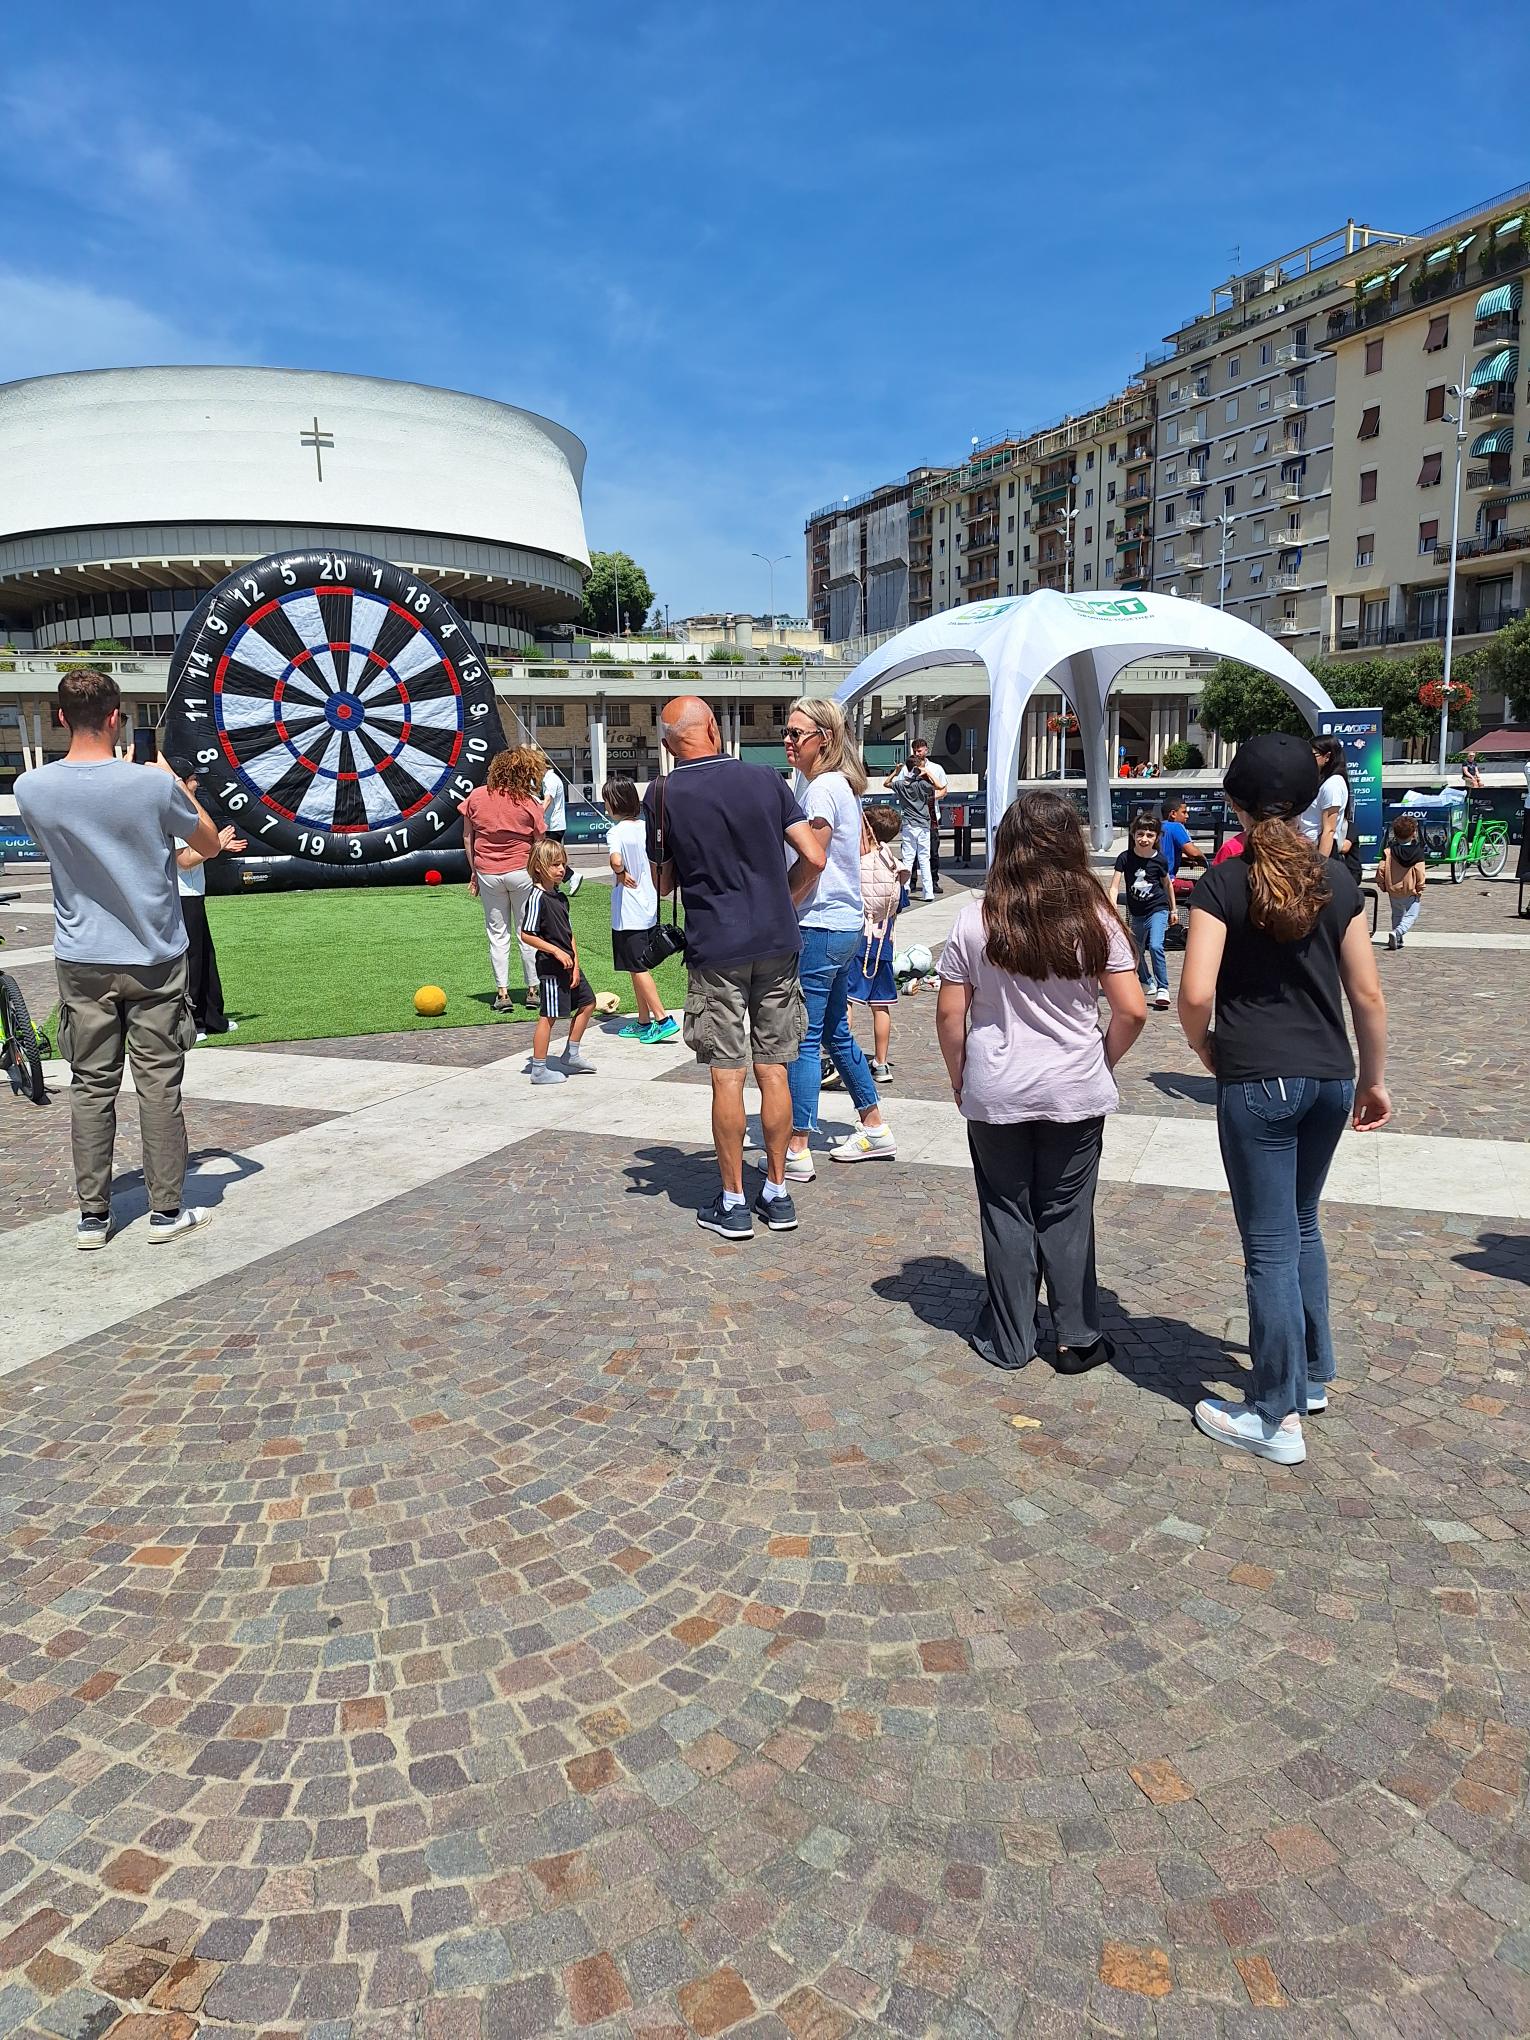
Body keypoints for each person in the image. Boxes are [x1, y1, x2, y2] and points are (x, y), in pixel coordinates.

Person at [1178, 732, 1390, 1467]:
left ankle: (1274, 1415)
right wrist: (1372, 1078)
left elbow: (1196, 992)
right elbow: (1367, 994)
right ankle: (1312, 1373)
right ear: (1308, 801)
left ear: (1233, 803)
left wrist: (1208, 1049)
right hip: (1330, 1075)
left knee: (1268, 1244)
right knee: (1303, 1223)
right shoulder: (1335, 879)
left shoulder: (1223, 883)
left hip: (1259, 1078)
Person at [936, 793, 1146, 1375]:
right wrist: (1102, 1058)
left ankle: (1010, 1337)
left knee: (1006, 1209)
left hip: (996, 1085)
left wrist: (960, 1075)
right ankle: (1076, 1337)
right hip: (1074, 1084)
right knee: (1067, 1210)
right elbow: (1131, 1010)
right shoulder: (1096, 916)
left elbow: (952, 1016)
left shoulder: (974, 919)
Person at [14, 670, 222, 1248]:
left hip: (82, 954)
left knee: (90, 1085)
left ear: (60, 718)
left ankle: (92, 1217)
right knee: (158, 1084)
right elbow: (206, 844)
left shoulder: (33, 787)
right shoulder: (150, 786)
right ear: (117, 717)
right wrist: (172, 785)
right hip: (153, 953)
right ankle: (165, 1212)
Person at [643, 694, 825, 1241]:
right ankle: (776, 1191)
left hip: (715, 946)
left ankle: (732, 1202)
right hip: (776, 939)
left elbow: (662, 883)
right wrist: (784, 901)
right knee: (775, 1069)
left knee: (728, 1074)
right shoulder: (768, 780)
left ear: (670, 746)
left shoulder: (665, 794)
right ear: (715, 732)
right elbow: (813, 856)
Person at [778, 699, 894, 1179]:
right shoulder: (833, 785)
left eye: (797, 733)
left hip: (820, 923)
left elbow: (815, 859)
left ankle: (798, 1147)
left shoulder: (823, 788)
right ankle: (874, 1126)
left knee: (804, 1038)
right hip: (842, 924)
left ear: (823, 738)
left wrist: (782, 903)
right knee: (835, 1032)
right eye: (785, 731)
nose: (787, 740)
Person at [459, 746, 546, 1013]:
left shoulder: (476, 797)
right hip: (522, 871)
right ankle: (533, 991)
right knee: (527, 932)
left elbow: (467, 837)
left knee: (497, 934)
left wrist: (475, 871)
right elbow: (539, 842)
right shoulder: (529, 801)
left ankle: (503, 994)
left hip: (488, 871)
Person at [166, 755, 244, 1039]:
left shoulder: (188, 811)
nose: (197, 782)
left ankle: (212, 1018)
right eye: (193, 778)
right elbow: (184, 860)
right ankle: (192, 1024)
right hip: (182, 897)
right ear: (182, 782)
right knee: (191, 961)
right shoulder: (172, 812)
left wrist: (217, 848)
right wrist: (217, 846)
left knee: (205, 959)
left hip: (194, 894)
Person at [602, 775, 678, 1042]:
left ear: (613, 803)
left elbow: (615, 859)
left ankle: (662, 1018)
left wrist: (620, 872)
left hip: (628, 911)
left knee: (637, 967)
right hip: (649, 905)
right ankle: (643, 1020)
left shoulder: (617, 832)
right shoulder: (646, 828)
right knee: (639, 965)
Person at [520, 837, 596, 1084]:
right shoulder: (536, 898)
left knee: (588, 1003)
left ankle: (571, 1054)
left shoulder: (560, 897)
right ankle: (539, 1069)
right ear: (540, 867)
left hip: (569, 965)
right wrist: (555, 951)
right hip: (551, 968)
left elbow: (570, 933)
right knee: (549, 1016)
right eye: (555, 865)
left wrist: (576, 964)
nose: (561, 869)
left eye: (563, 864)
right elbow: (526, 934)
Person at [848, 804, 908, 1083]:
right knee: (880, 1005)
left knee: (845, 1001)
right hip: (884, 943)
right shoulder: (894, 865)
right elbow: (900, 904)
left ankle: (844, 1057)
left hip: (859, 941)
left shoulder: (858, 863)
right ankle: (881, 1063)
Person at [1109, 812, 1177, 1011]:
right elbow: (1114, 886)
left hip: (1158, 908)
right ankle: (1147, 981)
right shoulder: (1125, 858)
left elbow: (1167, 885)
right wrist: (1112, 907)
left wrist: (1173, 909)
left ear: (1156, 837)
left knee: (1155, 945)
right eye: (1140, 834)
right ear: (1133, 834)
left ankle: (1163, 988)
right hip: (1136, 912)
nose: (1144, 839)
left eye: (1149, 835)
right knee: (1135, 950)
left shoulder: (1160, 860)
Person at [884, 737, 947, 902]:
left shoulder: (902, 785)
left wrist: (895, 773)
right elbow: (940, 787)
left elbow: (887, 784)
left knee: (908, 858)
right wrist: (928, 773)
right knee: (925, 858)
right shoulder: (923, 785)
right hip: (924, 824)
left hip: (908, 824)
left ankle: (904, 891)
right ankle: (928, 892)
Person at [1299, 737, 1356, 874]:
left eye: (1313, 755)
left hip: (1318, 850)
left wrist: (1320, 866)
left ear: (1327, 756)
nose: (1308, 759)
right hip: (1306, 849)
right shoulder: (1319, 781)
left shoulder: (1333, 785)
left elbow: (1329, 830)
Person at [1376, 811, 1427, 949]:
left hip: (1393, 889)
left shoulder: (1389, 852)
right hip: (1410, 890)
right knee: (1412, 915)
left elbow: (1381, 869)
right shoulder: (1418, 852)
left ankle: (1397, 939)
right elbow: (1420, 872)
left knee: (1397, 913)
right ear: (1414, 833)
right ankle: (1398, 932)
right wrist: (1420, 888)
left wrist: (1382, 884)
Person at [534, 748, 582, 894]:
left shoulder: (550, 780)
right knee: (549, 856)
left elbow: (548, 799)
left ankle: (571, 876)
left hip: (553, 825)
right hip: (552, 824)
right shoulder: (548, 779)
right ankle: (556, 884)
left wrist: (537, 813)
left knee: (548, 856)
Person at [1158, 798, 1205, 903]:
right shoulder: (1176, 826)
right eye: (1184, 812)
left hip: (1153, 882)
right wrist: (1205, 861)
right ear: (1173, 814)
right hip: (1168, 883)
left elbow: (1165, 854)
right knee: (1204, 887)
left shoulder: (1157, 827)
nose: (1187, 816)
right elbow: (1193, 852)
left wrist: (1183, 860)